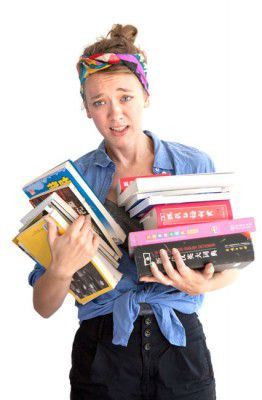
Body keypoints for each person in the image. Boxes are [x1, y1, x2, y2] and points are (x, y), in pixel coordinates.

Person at [29, 24, 240, 400]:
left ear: (146, 96)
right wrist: (60, 269)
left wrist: (202, 284)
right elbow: (43, 307)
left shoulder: (193, 164)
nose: (115, 114)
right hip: (102, 352)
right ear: (86, 108)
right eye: (99, 102)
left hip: (180, 344)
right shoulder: (71, 184)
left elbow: (231, 262)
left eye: (125, 97)